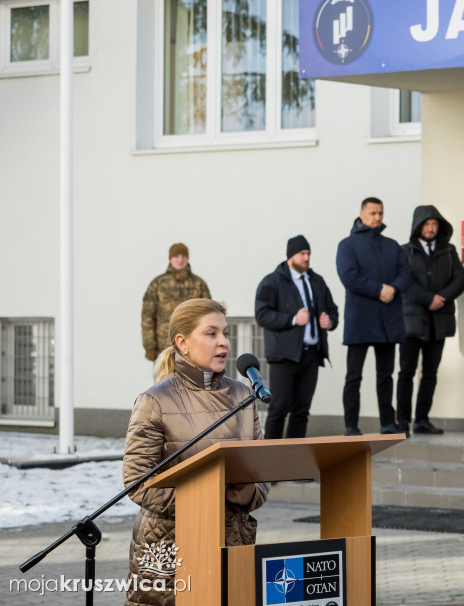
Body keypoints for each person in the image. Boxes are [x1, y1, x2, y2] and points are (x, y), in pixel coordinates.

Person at [122, 299, 268, 606]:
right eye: (211, 333)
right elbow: (137, 480)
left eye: (225, 334)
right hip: (169, 545)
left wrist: (248, 493)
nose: (224, 343)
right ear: (182, 343)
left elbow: (262, 472)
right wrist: (203, 501)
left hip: (233, 539)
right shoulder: (155, 401)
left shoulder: (244, 395)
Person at [336, 197, 411, 436]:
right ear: (361, 213)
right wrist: (379, 289)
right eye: (373, 213)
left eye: (380, 213)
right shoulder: (347, 245)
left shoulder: (392, 245)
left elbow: (406, 273)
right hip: (360, 320)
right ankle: (351, 425)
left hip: (388, 320)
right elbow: (349, 277)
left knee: (385, 376)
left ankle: (388, 423)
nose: (377, 217)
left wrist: (394, 288)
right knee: (354, 377)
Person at [254, 235, 339, 439]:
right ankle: (269, 457)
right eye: (302, 253)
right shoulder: (272, 281)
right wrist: (293, 319)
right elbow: (262, 314)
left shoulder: (317, 281)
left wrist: (330, 321)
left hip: (311, 355)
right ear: (291, 256)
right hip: (284, 356)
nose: (306, 257)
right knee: (279, 407)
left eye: (308, 253)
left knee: (302, 409)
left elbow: (332, 309)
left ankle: (295, 459)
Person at [397, 206, 464, 435]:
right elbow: (404, 282)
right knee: (406, 372)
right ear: (418, 226)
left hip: (439, 321)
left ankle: (422, 420)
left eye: (434, 224)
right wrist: (428, 298)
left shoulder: (449, 251)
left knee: (430, 373)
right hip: (411, 322)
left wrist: (442, 297)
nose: (430, 228)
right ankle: (402, 422)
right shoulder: (405, 252)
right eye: (426, 224)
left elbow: (460, 278)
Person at [141, 243, 210, 362]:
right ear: (170, 258)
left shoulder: (199, 284)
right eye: (176, 256)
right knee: (165, 380)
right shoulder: (157, 284)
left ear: (187, 258)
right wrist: (149, 346)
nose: (180, 259)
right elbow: (148, 316)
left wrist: (207, 341)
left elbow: (208, 315)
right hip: (164, 347)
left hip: (192, 347)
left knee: (192, 380)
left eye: (183, 256)